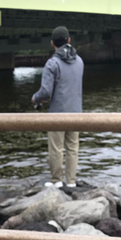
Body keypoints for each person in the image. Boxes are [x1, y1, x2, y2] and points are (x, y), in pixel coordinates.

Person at [32, 26, 84, 188]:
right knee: (72, 148)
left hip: (57, 114)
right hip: (76, 113)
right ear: (69, 41)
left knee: (56, 148)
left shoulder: (52, 63)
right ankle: (71, 181)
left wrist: (35, 98)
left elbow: (46, 92)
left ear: (52, 43)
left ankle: (56, 181)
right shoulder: (80, 61)